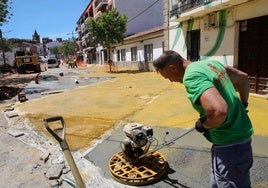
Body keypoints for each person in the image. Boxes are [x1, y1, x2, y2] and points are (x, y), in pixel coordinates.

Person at [153, 50, 254, 188]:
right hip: (235, 139)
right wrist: (243, 105)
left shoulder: (191, 76)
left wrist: (204, 125)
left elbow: (219, 111)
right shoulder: (210, 64)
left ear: (173, 68)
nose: (171, 81)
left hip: (230, 145)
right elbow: (242, 78)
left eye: (168, 77)